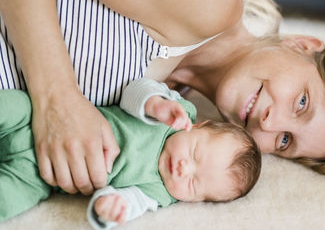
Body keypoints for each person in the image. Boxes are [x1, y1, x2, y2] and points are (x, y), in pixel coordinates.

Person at [0, 0, 325, 195]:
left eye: (285, 141)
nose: (271, 122)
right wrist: (59, 99)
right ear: (302, 44)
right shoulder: (212, 2)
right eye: (302, 103)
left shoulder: (169, 111)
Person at [0, 78, 262, 227]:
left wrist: (109, 209)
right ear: (197, 125)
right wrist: (154, 103)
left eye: (193, 184)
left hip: (41, 174)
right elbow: (134, 90)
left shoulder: (158, 193)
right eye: (194, 153)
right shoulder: (174, 115)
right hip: (35, 117)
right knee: (10, 105)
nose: (184, 168)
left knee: (9, 199)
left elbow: (129, 202)